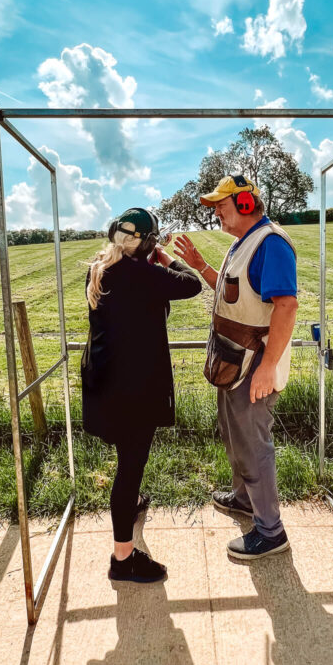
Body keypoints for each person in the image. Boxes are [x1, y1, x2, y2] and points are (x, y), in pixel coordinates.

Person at [174, 175, 298, 560]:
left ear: (245, 204)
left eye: (221, 207)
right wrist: (199, 265)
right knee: (235, 436)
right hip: (234, 363)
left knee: (254, 445)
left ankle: (270, 531)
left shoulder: (271, 244)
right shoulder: (243, 245)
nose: (215, 215)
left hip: (254, 366)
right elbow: (232, 293)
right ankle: (245, 501)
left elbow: (286, 306)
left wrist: (269, 366)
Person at [81, 207, 202, 583]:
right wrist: (165, 256)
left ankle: (130, 506)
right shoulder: (141, 274)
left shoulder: (100, 267)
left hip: (105, 380)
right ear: (146, 243)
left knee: (126, 460)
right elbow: (191, 283)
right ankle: (122, 559)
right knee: (130, 467)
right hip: (130, 387)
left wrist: (150, 256)